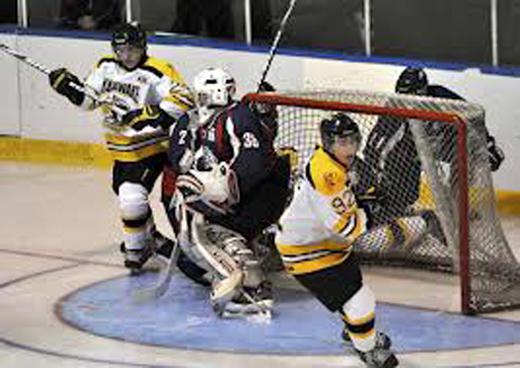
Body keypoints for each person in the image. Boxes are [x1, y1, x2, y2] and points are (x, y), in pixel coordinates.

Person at [47, 22, 194, 274]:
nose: (126, 55)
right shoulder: (105, 67)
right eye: (120, 50)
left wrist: (147, 114)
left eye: (131, 50)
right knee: (129, 198)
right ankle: (150, 238)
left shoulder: (156, 70)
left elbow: (184, 99)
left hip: (153, 148)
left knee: (133, 198)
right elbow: (88, 101)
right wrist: (70, 90)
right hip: (122, 151)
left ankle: (140, 246)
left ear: (142, 47)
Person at [275, 113, 399, 368]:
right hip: (307, 252)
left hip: (325, 244)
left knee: (352, 291)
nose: (350, 148)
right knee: (361, 299)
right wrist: (370, 213)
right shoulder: (326, 172)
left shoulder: (329, 161)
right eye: (342, 143)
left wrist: (361, 203)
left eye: (353, 140)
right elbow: (347, 228)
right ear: (329, 143)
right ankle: (368, 349)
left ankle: (355, 331)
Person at [164, 67, 291, 317]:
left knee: (205, 226)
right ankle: (252, 280)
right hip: (244, 192)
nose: (198, 99)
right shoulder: (190, 121)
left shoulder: (238, 116)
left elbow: (255, 159)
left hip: (261, 192)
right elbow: (178, 159)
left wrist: (228, 189)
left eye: (203, 94)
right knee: (195, 217)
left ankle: (244, 283)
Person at [363, 66, 505, 222]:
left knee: (466, 155)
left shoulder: (440, 96)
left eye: (413, 95)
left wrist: (488, 145)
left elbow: (471, 117)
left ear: (424, 90)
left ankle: (458, 205)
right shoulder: (394, 105)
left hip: (441, 145)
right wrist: (375, 171)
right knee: (406, 187)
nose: (407, 101)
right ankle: (398, 205)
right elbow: (377, 143)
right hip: (411, 151)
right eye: (403, 94)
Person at [58, 0, 122, 30]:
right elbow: (66, 15)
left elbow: (112, 15)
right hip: (75, 35)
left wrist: (96, 22)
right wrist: (78, 21)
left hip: (105, 33)